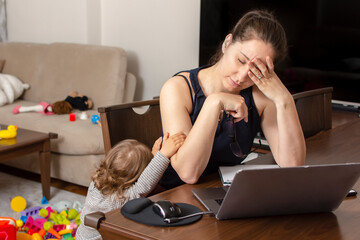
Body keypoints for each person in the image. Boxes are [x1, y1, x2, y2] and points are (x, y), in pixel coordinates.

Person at [159, 9, 306, 189]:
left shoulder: (259, 97)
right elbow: (188, 173)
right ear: (227, 43)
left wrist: (284, 99)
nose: (243, 76)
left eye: (257, 70)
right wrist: (214, 103)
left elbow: (292, 166)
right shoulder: (178, 88)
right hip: (173, 197)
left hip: (225, 194)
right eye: (241, 61)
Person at [76, 132, 186, 240]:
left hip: (81, 236)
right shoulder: (120, 199)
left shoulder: (95, 184)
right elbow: (145, 184)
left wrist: (154, 157)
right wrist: (164, 154)